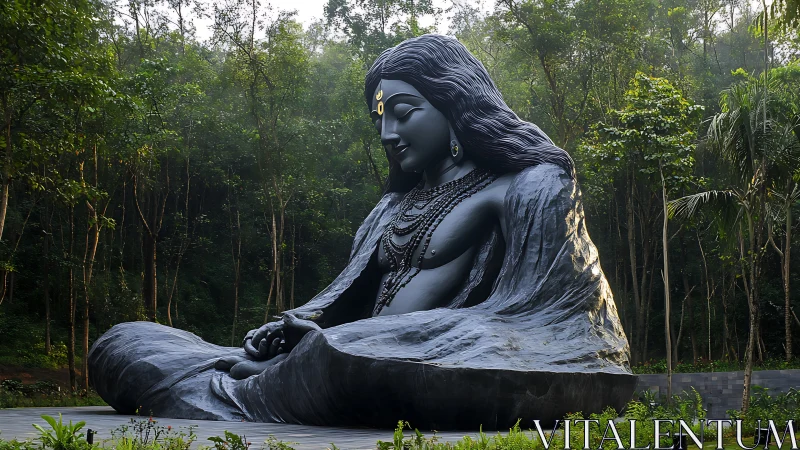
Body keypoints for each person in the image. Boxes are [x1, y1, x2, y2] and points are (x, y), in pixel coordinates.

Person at [89, 34, 634, 429]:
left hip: (415, 357)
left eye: (403, 111)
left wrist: (344, 342)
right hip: (350, 354)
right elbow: (346, 301)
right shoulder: (394, 205)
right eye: (379, 118)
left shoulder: (529, 181)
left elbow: (557, 318)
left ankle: (266, 379)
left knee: (339, 360)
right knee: (125, 342)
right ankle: (269, 375)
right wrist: (301, 325)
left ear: (455, 104)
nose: (387, 132)